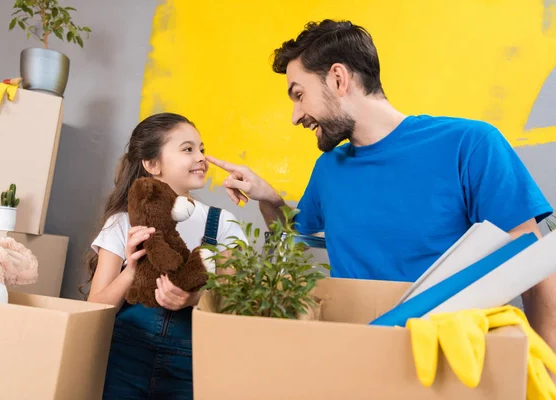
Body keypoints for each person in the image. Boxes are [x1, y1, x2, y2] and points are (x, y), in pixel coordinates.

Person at [206, 19, 556, 350]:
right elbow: (296, 238)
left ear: (339, 79)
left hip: (449, 362)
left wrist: (546, 374)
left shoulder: (470, 144)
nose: (296, 115)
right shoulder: (329, 168)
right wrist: (268, 197)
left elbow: (530, 261)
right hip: (358, 358)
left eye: (299, 95)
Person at [83, 112, 246, 399]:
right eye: (188, 149)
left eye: (202, 149)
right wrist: (131, 269)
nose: (201, 158)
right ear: (152, 164)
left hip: (192, 366)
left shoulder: (223, 223)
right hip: (123, 359)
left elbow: (235, 303)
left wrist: (195, 299)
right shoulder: (123, 222)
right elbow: (95, 307)